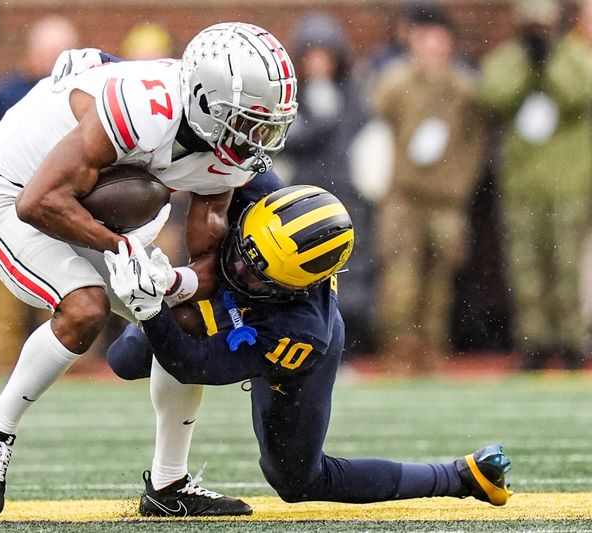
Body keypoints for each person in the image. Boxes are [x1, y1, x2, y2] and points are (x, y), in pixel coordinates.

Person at [0, 22, 298, 517]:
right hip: (5, 190)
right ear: (206, 103)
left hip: (78, 207)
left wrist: (173, 282)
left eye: (268, 125)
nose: (259, 139)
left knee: (186, 321)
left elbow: (207, 260)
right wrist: (123, 248)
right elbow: (38, 202)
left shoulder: (228, 155)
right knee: (85, 306)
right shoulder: (142, 109)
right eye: (249, 122)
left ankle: (169, 484)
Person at [105, 177, 513, 513]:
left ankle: (458, 476)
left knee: (298, 480)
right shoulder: (259, 189)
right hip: (244, 309)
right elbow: (214, 163)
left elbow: (194, 365)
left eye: (254, 275)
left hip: (278, 349)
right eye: (244, 251)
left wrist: (151, 310)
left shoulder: (301, 331)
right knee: (125, 359)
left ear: (294, 287)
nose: (237, 269)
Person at [478, 0, 592, 370]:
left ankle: (572, 342)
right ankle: (534, 343)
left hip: (568, 185)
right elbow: (493, 94)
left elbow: (577, 93)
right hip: (522, 187)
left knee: (567, 267)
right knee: (525, 269)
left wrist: (549, 63)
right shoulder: (510, 59)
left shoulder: (575, 57)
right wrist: (529, 65)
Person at [372, 3, 485, 373]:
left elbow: (474, 143)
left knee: (439, 283)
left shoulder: (463, 89)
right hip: (403, 199)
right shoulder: (396, 82)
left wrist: (461, 184)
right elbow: (376, 118)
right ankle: (397, 352)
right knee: (399, 280)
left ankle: (431, 353)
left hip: (445, 201)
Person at [0, 17, 79, 373]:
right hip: (11, 202)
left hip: (68, 204)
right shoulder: (7, 94)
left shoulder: (81, 93)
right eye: (50, 53)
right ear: (32, 54)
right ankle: (1, 364)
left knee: (72, 286)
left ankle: (71, 363)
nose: (55, 62)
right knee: (7, 291)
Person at [282, 12, 375, 354]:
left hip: (347, 197)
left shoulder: (354, 96)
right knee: (305, 273)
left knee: (350, 272)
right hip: (303, 202)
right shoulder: (293, 98)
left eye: (325, 55)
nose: (319, 64)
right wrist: (316, 120)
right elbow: (288, 141)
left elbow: (365, 137)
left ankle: (346, 347)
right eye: (312, 56)